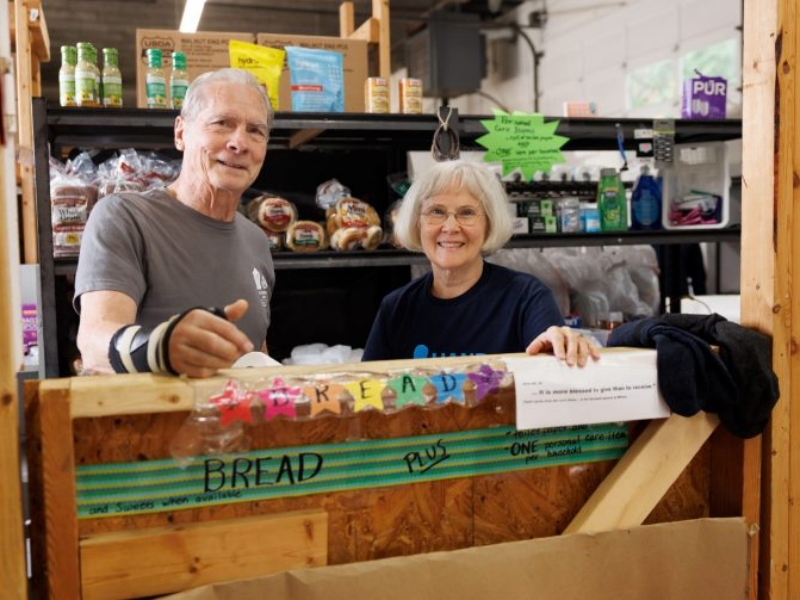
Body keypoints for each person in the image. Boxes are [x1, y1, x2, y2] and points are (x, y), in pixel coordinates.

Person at [74, 68, 275, 378]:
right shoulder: (125, 218)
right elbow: (94, 342)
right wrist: (158, 347)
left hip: (236, 424)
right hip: (154, 423)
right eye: (223, 123)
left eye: (256, 131)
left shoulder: (256, 240)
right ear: (181, 133)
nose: (240, 143)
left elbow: (255, 352)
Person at [362, 159, 599, 366]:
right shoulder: (396, 309)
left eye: (466, 213)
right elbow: (368, 397)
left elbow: (551, 357)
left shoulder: (526, 297)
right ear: (417, 223)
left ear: (488, 224)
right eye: (436, 211)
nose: (451, 227)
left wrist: (562, 342)